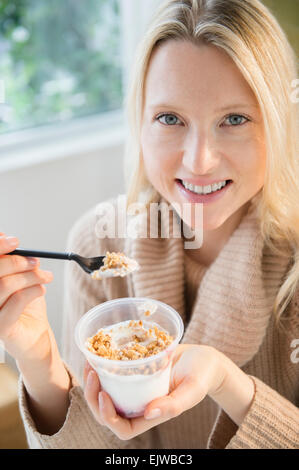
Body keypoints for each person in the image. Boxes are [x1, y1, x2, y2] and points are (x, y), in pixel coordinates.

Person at [0, 0, 298, 449]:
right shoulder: (99, 243)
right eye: (170, 118)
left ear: (278, 124)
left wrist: (226, 382)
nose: (199, 161)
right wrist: (39, 359)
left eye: (234, 119)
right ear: (140, 124)